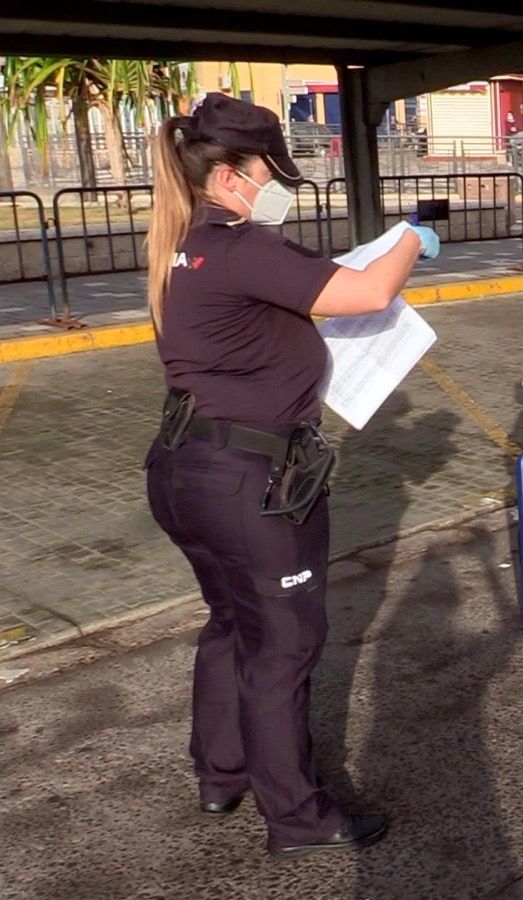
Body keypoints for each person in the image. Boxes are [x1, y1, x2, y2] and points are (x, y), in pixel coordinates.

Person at [143, 93, 438, 857]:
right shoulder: (237, 245)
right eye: (270, 174)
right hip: (251, 482)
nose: (276, 188)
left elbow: (310, 285)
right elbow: (370, 291)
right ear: (232, 176)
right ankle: (298, 817)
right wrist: (412, 238)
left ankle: (221, 774)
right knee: (282, 645)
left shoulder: (184, 243)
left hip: (186, 470)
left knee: (230, 623)